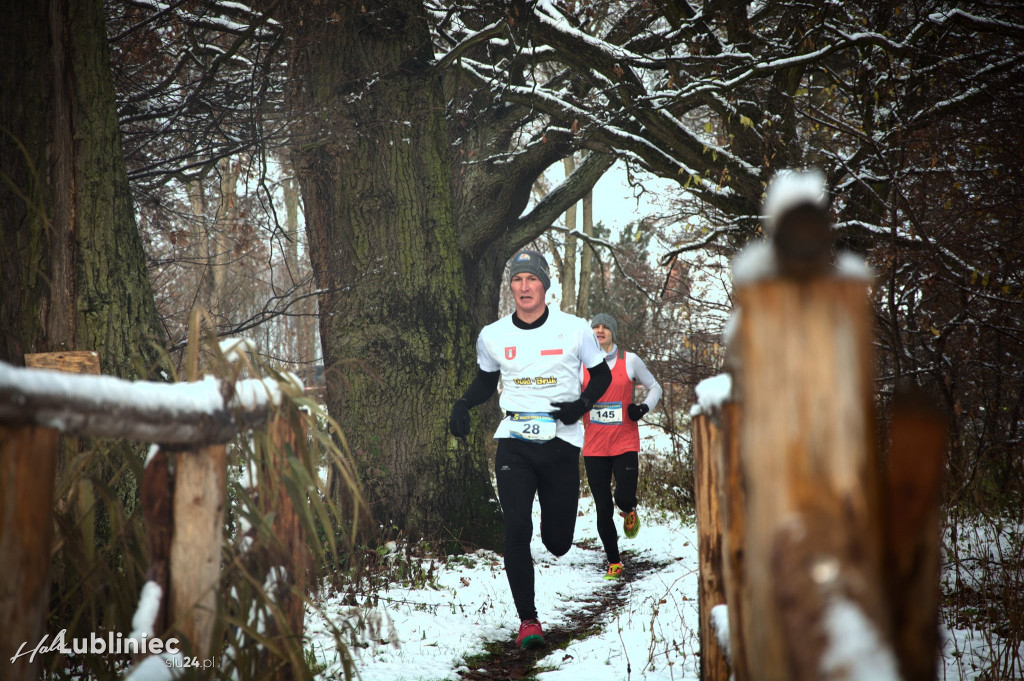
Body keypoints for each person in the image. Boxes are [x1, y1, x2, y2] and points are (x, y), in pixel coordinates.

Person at [448, 249, 611, 651]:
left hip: (561, 441)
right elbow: (487, 381)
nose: (524, 287)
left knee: (557, 542)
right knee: (516, 528)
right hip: (514, 440)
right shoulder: (493, 335)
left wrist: (582, 405)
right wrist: (464, 403)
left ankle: (553, 528)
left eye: (531, 279)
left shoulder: (574, 330)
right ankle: (528, 621)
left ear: (545, 286)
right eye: (517, 280)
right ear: (511, 288)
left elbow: (602, 374)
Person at [582, 313, 662, 581]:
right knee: (602, 506)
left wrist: (642, 407)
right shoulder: (580, 364)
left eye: (605, 327)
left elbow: (655, 387)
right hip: (594, 447)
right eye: (596, 326)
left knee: (623, 497)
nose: (600, 330)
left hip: (625, 442)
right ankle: (614, 561)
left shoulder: (630, 361)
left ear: (612, 332)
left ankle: (629, 509)